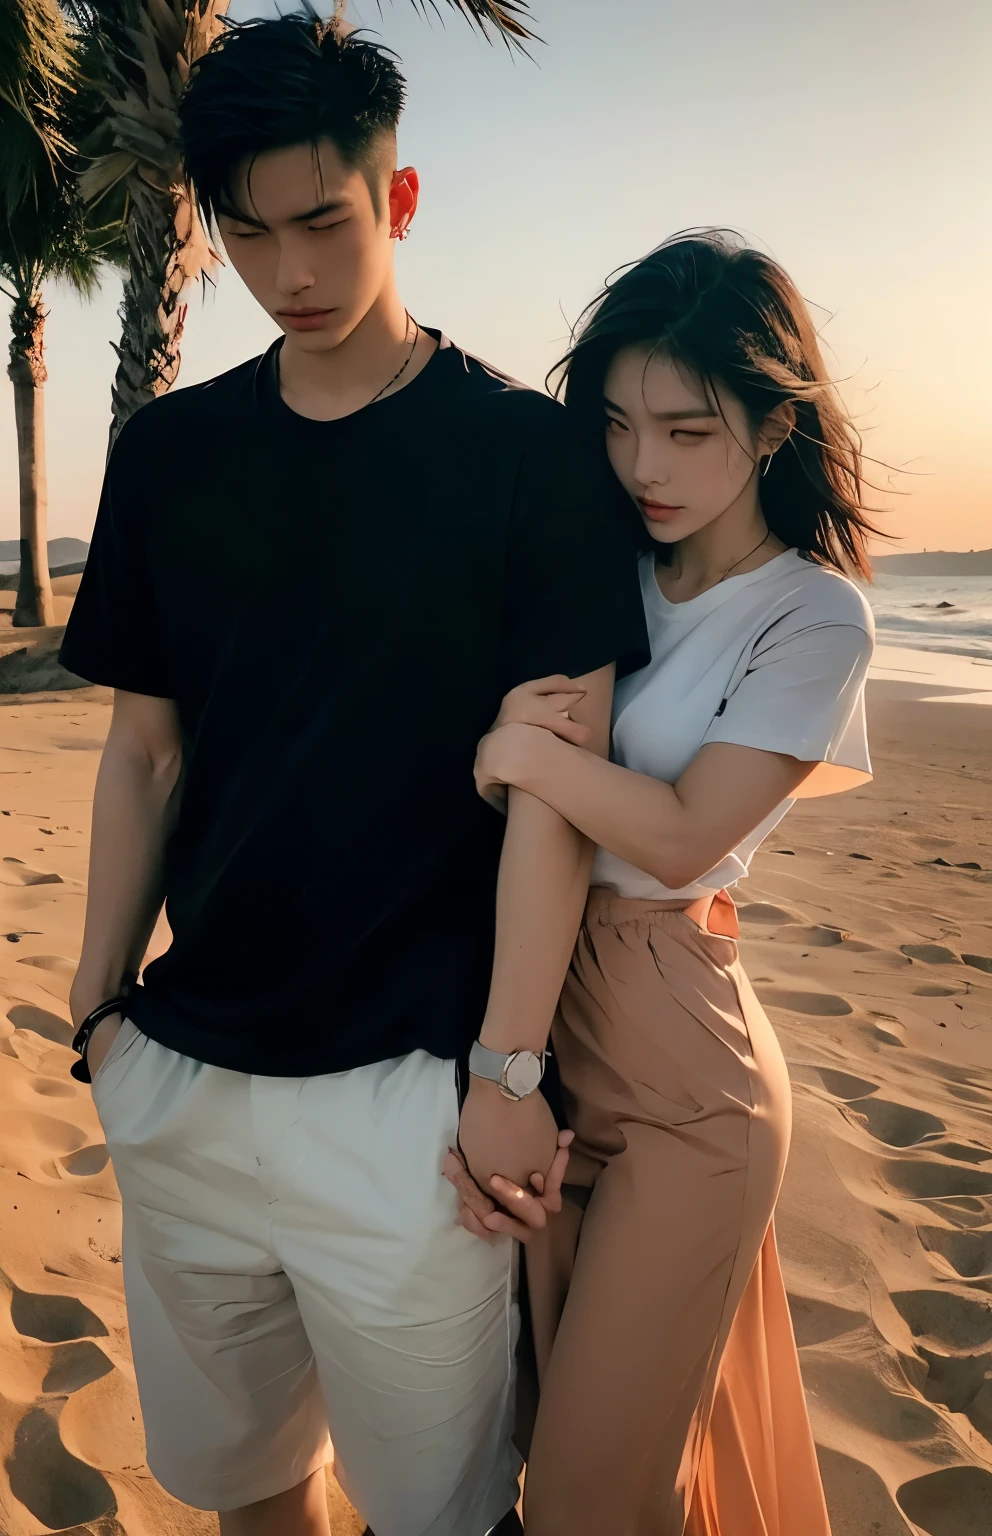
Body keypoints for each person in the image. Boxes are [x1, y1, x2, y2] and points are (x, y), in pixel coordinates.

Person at [58, 18, 649, 1536]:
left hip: (409, 1109)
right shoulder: (171, 454)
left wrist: (509, 1073)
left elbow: (556, 800)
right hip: (180, 1077)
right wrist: (97, 1008)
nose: (288, 273)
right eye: (245, 235)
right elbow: (146, 749)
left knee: (435, 1516)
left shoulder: (527, 455)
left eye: (323, 221)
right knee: (246, 1493)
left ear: (398, 199)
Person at [446, 230, 877, 1535]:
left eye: (688, 430)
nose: (644, 466)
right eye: (623, 424)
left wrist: (517, 753)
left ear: (769, 425)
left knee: (592, 1493)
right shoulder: (604, 560)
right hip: (550, 1032)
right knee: (547, 1448)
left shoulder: (813, 615)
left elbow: (687, 832)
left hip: (691, 1077)